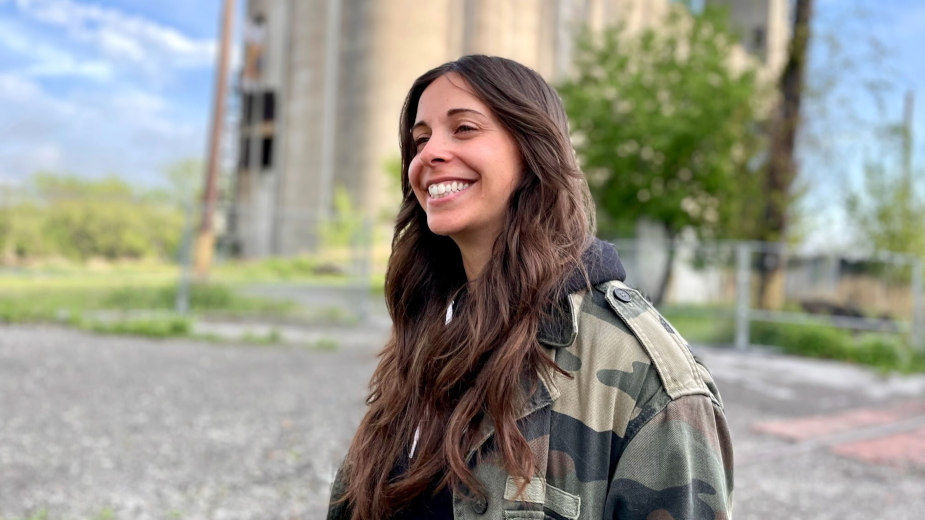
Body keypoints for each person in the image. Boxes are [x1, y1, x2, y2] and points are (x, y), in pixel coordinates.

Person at [327, 55, 732, 520]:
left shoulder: (646, 375)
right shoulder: (430, 326)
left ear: (533, 149)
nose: (430, 153)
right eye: (421, 139)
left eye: (464, 129)